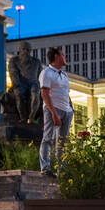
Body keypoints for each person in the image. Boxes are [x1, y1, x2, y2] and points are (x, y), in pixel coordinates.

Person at [38, 47, 72, 175]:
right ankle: (45, 168)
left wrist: (70, 107)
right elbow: (44, 94)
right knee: (48, 138)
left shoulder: (64, 75)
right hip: (53, 109)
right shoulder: (46, 73)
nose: (65, 57)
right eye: (63, 55)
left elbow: (66, 93)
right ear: (56, 56)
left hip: (66, 111)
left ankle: (61, 170)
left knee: (63, 141)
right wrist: (53, 113)